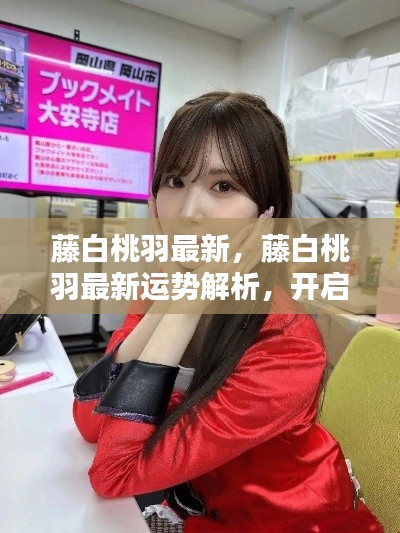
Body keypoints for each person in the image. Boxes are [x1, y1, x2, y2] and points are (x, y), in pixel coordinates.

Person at [73, 92, 383, 532]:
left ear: (267, 212)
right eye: (175, 181)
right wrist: (174, 297)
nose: (189, 212)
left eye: (223, 187)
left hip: (285, 520)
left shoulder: (287, 345)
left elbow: (113, 473)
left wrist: (186, 303)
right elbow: (89, 422)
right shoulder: (163, 284)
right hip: (199, 501)